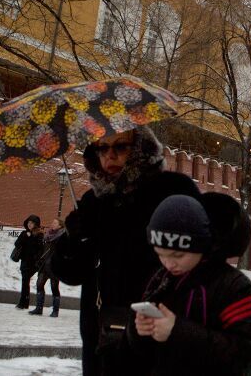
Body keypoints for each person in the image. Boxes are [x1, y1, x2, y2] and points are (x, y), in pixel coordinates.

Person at [52, 127, 201, 376]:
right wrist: (72, 239)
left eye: (120, 147)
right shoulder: (92, 201)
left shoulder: (172, 190)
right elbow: (70, 273)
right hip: (102, 339)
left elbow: (201, 254)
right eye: (103, 148)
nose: (110, 156)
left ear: (140, 149)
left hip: (156, 335)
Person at [127, 194, 251, 375]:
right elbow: (143, 355)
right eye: (160, 254)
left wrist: (177, 332)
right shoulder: (162, 278)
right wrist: (139, 331)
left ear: (202, 246)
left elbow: (244, 353)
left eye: (178, 255)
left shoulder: (233, 286)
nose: (168, 263)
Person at [29, 218, 65, 317]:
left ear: (60, 226)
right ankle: (39, 308)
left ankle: (55, 310)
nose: (52, 224)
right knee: (39, 284)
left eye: (55, 223)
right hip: (44, 264)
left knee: (54, 287)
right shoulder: (47, 235)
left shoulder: (62, 237)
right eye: (52, 222)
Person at [14, 214, 43, 309]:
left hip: (33, 263)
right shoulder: (24, 233)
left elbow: (39, 248)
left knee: (25, 281)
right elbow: (17, 244)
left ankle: (23, 303)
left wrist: (31, 237)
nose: (30, 224)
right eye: (29, 222)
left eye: (32, 223)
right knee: (25, 281)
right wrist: (25, 237)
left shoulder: (39, 234)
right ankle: (24, 302)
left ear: (36, 224)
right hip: (24, 261)